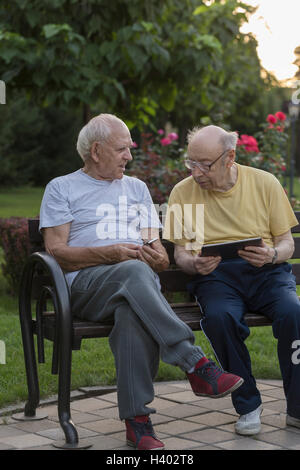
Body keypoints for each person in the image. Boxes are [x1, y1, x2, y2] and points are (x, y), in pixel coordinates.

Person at [39, 114, 243, 450]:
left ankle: (138, 424)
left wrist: (157, 258)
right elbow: (56, 251)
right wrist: (111, 254)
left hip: (134, 286)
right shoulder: (62, 187)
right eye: (122, 149)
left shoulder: (136, 188)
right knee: (132, 273)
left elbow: (158, 251)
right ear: (96, 151)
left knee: (131, 313)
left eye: (129, 150)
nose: (129, 157)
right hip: (84, 288)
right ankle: (195, 364)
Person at [163, 124, 300, 436]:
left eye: (204, 164)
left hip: (267, 272)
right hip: (215, 277)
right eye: (190, 162)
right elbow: (180, 254)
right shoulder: (183, 193)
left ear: (230, 157)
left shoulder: (264, 183)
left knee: (295, 314)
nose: (196, 172)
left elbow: (286, 243)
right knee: (220, 319)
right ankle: (248, 405)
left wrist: (272, 255)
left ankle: (298, 408)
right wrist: (193, 264)